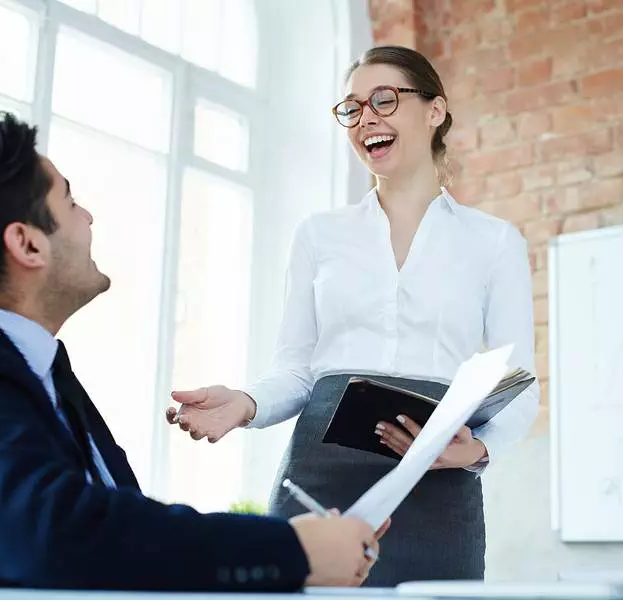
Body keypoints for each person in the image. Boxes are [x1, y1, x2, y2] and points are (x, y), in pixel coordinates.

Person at [0, 112, 386, 591]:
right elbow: (58, 532)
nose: (89, 217)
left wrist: (305, 546)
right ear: (28, 244)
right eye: (70, 202)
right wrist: (293, 552)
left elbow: (115, 525)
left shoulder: (38, 367)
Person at [165, 45, 539, 586]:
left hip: (436, 479)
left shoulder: (495, 242)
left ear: (435, 110)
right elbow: (296, 371)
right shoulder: (319, 234)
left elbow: (521, 384)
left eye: (384, 100)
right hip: (321, 477)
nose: (367, 118)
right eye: (352, 107)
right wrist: (246, 404)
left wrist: (479, 451)